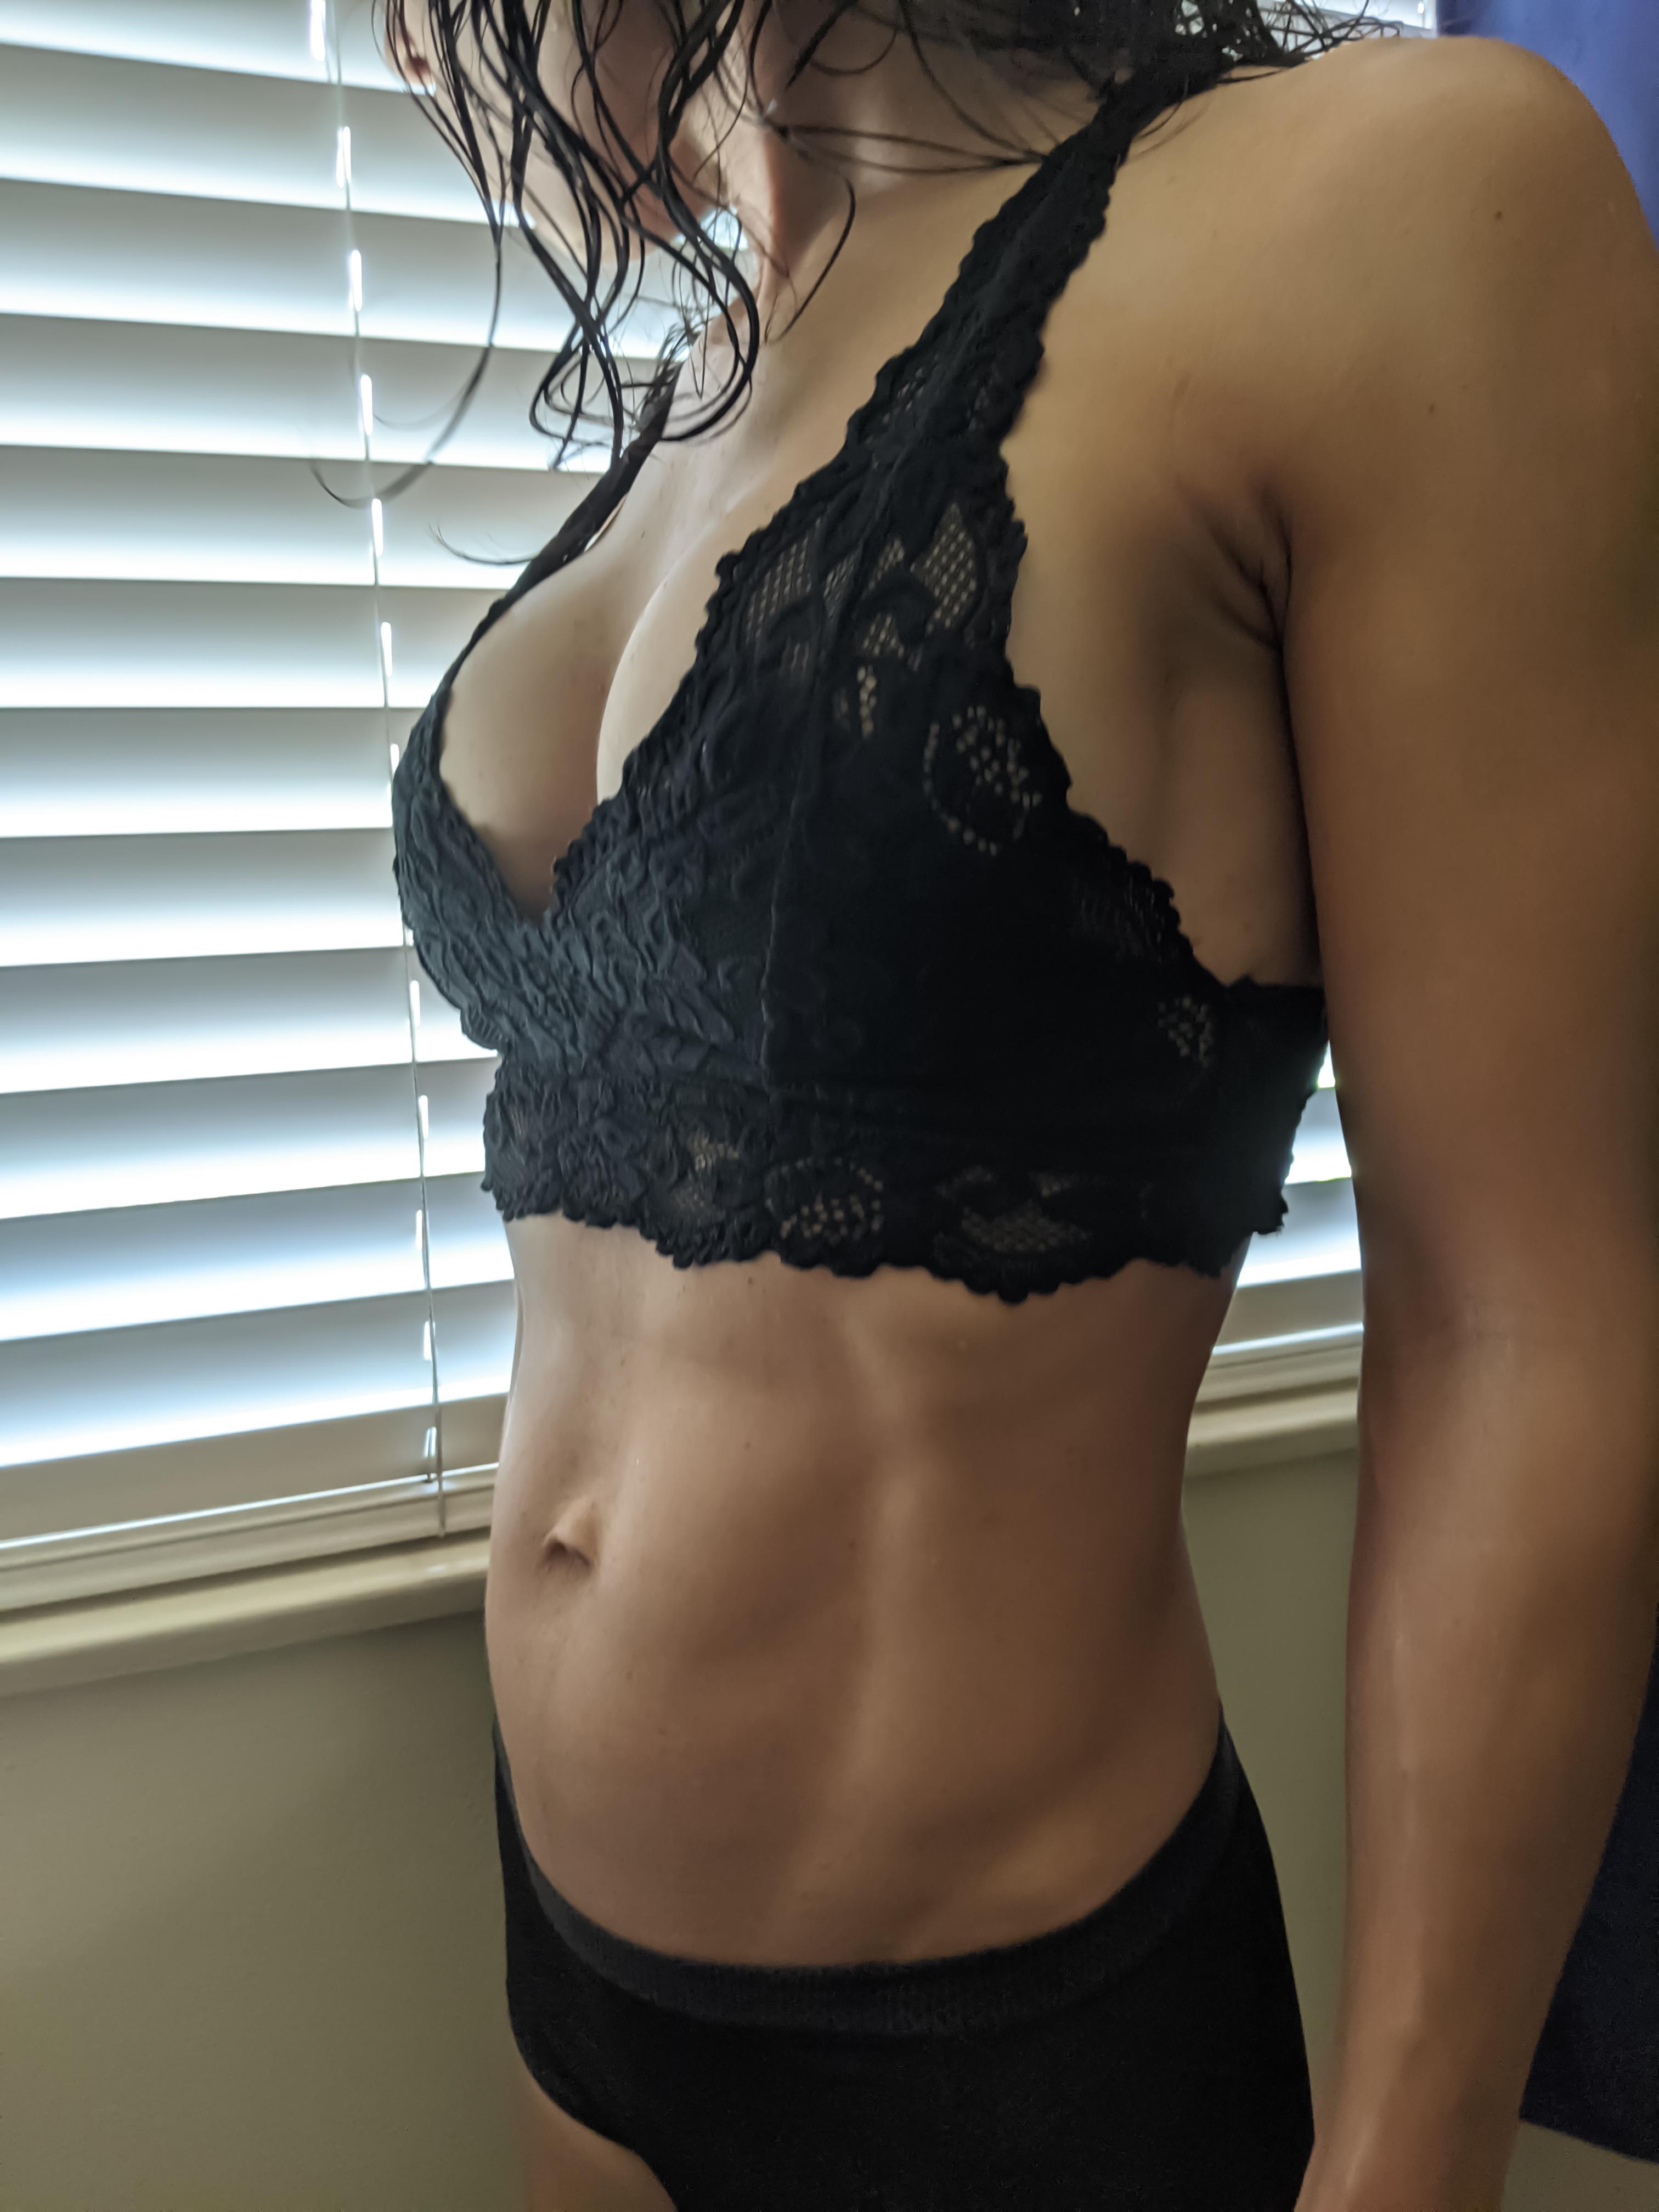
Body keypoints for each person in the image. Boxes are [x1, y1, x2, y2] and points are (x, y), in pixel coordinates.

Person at [381, 0, 1659, 2205]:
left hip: (1008, 2052)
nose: (413, 47)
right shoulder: (717, 369)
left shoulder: (1386, 201)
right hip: (575, 1986)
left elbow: (1526, 1319)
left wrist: (1415, 2159)